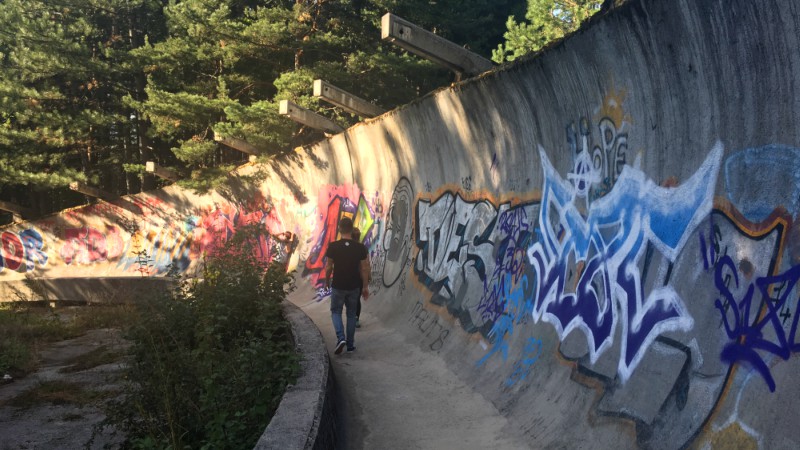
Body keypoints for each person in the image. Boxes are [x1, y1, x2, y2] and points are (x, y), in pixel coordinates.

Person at [324, 217, 370, 354]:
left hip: (338, 285)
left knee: (336, 311)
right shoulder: (360, 248)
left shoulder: (333, 246)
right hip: (354, 286)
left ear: (339, 229)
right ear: (351, 229)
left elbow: (328, 267)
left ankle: (340, 338)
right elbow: (364, 268)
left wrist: (327, 281)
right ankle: (350, 344)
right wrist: (365, 287)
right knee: (351, 314)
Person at [352, 227, 365, 328]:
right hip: (359, 278)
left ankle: (352, 317)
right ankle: (356, 318)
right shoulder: (362, 248)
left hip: (349, 277)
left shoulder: (346, 247)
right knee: (357, 299)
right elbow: (366, 265)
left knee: (350, 299)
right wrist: (366, 282)